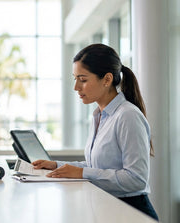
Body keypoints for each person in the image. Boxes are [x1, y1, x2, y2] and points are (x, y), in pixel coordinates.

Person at [32, 43, 159, 221]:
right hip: (109, 208)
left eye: (83, 80)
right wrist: (57, 166)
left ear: (107, 79)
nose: (76, 87)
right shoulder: (100, 116)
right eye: (75, 78)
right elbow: (98, 168)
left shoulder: (128, 116)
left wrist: (82, 173)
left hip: (131, 211)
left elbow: (136, 179)